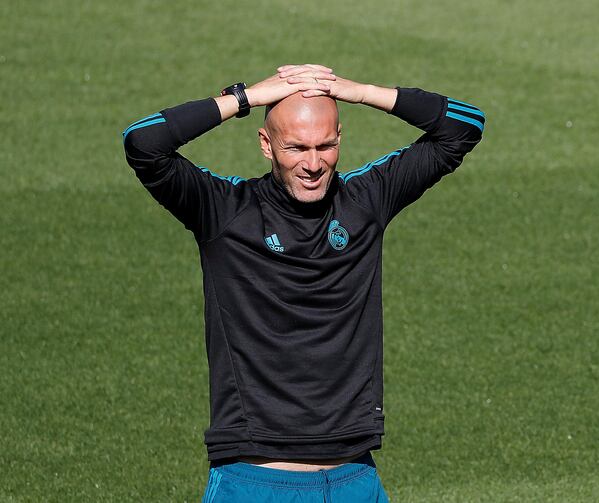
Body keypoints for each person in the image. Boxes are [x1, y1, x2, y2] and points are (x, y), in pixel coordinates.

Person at [122, 64, 484, 502]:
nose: (313, 164)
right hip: (255, 481)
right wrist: (246, 98)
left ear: (339, 139)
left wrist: (357, 90)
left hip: (354, 478)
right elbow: (143, 142)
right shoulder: (223, 212)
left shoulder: (365, 202)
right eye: (295, 147)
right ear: (266, 144)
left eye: (325, 145)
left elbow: (464, 126)